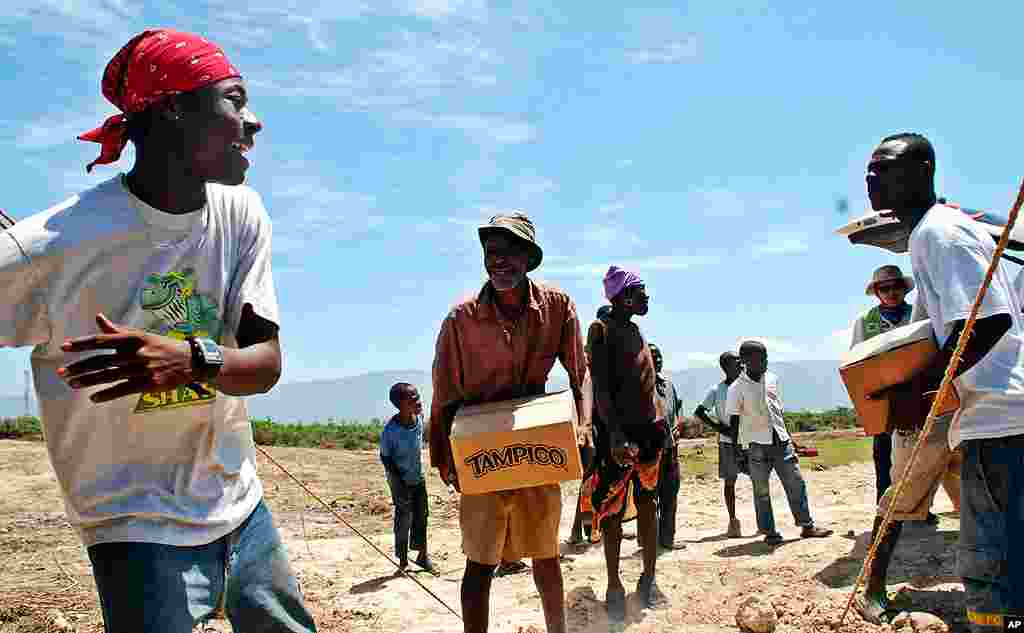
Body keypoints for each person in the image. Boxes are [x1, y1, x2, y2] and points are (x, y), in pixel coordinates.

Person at [0, 29, 316, 633]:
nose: (253, 123)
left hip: (238, 502)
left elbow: (266, 363)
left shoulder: (239, 213)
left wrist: (192, 359)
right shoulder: (56, 247)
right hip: (132, 523)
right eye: (234, 100)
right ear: (173, 108)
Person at [857, 133, 1024, 630]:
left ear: (923, 170)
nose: (870, 179)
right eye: (868, 170)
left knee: (988, 559)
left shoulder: (937, 234)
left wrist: (921, 389)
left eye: (883, 168)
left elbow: (988, 322)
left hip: (993, 414)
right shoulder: (937, 234)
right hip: (974, 411)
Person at [428, 212, 586, 633]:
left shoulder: (557, 307)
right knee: (480, 562)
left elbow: (580, 374)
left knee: (546, 554)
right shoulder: (460, 319)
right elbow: (443, 392)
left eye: (510, 252)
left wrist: (585, 428)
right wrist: (445, 457)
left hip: (537, 443)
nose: (499, 261)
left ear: (529, 258)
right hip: (481, 451)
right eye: (491, 252)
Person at [586, 266, 668, 620]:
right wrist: (616, 435)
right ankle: (614, 585)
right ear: (622, 297)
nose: (646, 297)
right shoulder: (601, 331)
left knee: (650, 504)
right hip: (617, 437)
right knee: (613, 513)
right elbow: (602, 389)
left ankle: (649, 579)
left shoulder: (636, 330)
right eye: (640, 291)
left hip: (650, 433)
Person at [726, 341, 833, 545]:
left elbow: (777, 413)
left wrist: (790, 438)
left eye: (766, 357)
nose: (765, 362)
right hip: (757, 447)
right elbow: (734, 421)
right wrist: (737, 452)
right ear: (746, 361)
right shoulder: (736, 388)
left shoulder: (772, 378)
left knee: (796, 484)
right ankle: (770, 532)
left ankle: (807, 526)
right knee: (761, 491)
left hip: (781, 442)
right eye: (760, 358)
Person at [850, 265, 914, 507]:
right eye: (884, 288)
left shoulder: (917, 314)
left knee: (917, 454)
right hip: (882, 395)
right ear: (876, 292)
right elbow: (855, 359)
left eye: (895, 286)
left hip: (914, 391)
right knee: (884, 454)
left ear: (904, 289)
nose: (891, 292)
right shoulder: (865, 321)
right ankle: (885, 508)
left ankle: (918, 507)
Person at [380, 383, 436, 575]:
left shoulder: (419, 419)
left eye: (417, 396)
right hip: (399, 482)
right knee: (404, 519)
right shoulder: (390, 431)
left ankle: (422, 555)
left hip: (417, 478)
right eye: (412, 398)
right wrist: (400, 483)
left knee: (422, 516)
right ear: (399, 404)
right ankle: (403, 562)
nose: (418, 400)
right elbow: (385, 458)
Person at [694, 351, 746, 537]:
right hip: (727, 443)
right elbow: (700, 412)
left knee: (759, 480)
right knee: (730, 482)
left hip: (750, 441)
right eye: (736, 362)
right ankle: (733, 522)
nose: (741, 365)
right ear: (725, 367)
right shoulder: (717, 390)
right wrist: (719, 428)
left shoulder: (748, 386)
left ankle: (763, 522)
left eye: (741, 362)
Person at [649, 342, 686, 552]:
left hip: (671, 450)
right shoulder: (641, 384)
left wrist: (678, 425)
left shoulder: (669, 385)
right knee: (649, 499)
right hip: (651, 452)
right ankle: (649, 539)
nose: (658, 360)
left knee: (670, 496)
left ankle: (667, 539)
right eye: (653, 356)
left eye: (659, 356)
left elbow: (677, 409)